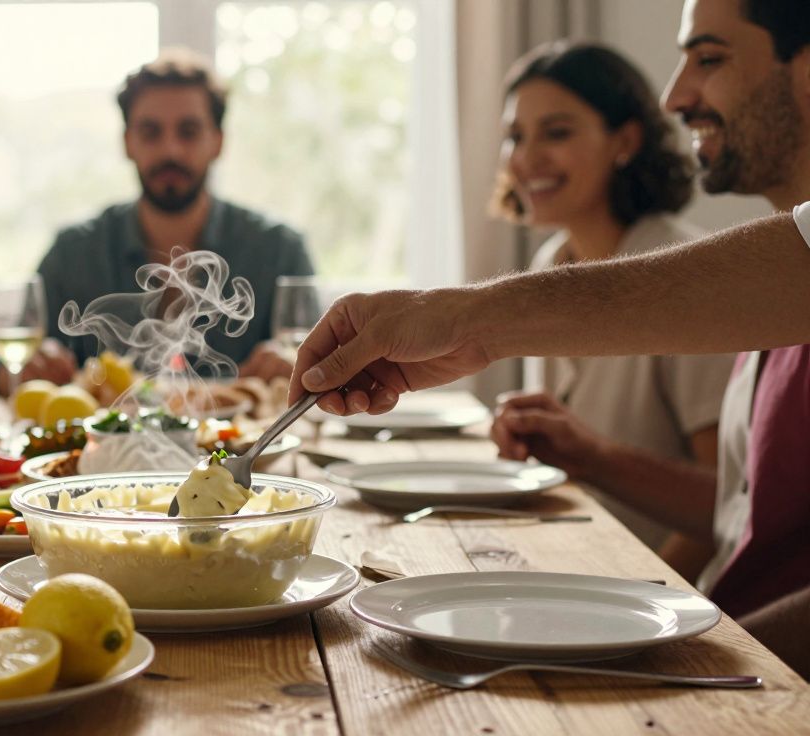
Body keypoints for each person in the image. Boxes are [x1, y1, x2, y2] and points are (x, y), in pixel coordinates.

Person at [291, 0, 810, 677]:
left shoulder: (721, 277)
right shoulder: (756, 287)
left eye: (708, 59)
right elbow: (738, 520)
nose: (674, 95)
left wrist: (695, 651)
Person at [489, 41, 733, 560]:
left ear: (625, 141)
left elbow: (730, 506)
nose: (526, 158)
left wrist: (647, 607)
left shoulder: (687, 276)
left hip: (657, 598)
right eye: (515, 137)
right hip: (570, 568)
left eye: (556, 132)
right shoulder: (549, 265)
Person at [0, 47, 315, 395]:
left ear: (218, 142)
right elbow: (2, 372)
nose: (170, 151)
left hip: (242, 449)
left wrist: (303, 369)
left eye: (188, 131)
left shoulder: (280, 249)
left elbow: (322, 373)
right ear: (127, 143)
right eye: (150, 132)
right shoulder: (74, 252)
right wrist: (30, 367)